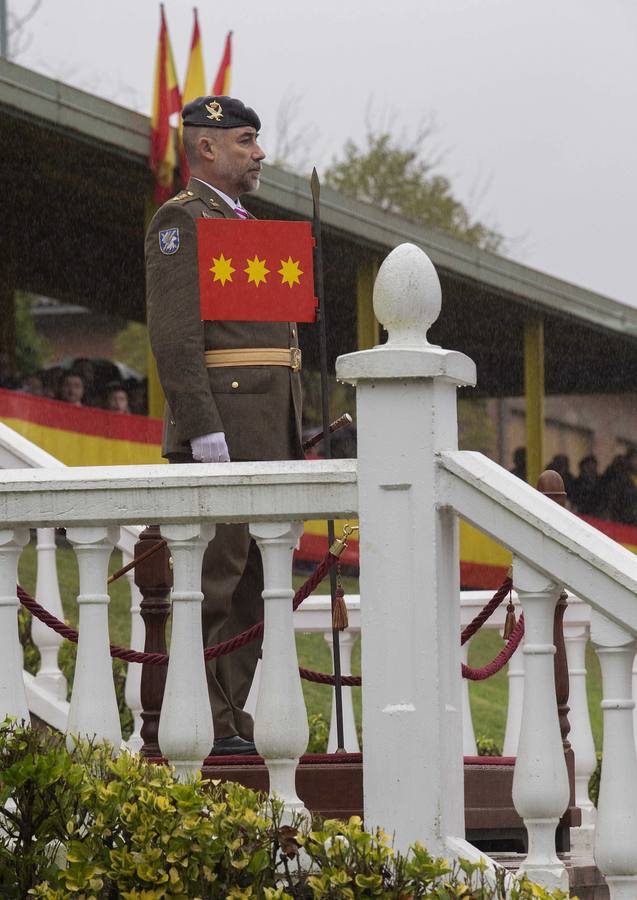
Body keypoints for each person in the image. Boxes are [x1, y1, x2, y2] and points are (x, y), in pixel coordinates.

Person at [145, 95, 303, 756]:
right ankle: (207, 719)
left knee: (252, 591)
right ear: (205, 146)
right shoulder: (179, 223)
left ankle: (231, 718)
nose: (259, 153)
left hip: (265, 430)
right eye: (244, 140)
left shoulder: (243, 222)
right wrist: (202, 427)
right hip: (226, 433)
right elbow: (175, 337)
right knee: (216, 579)